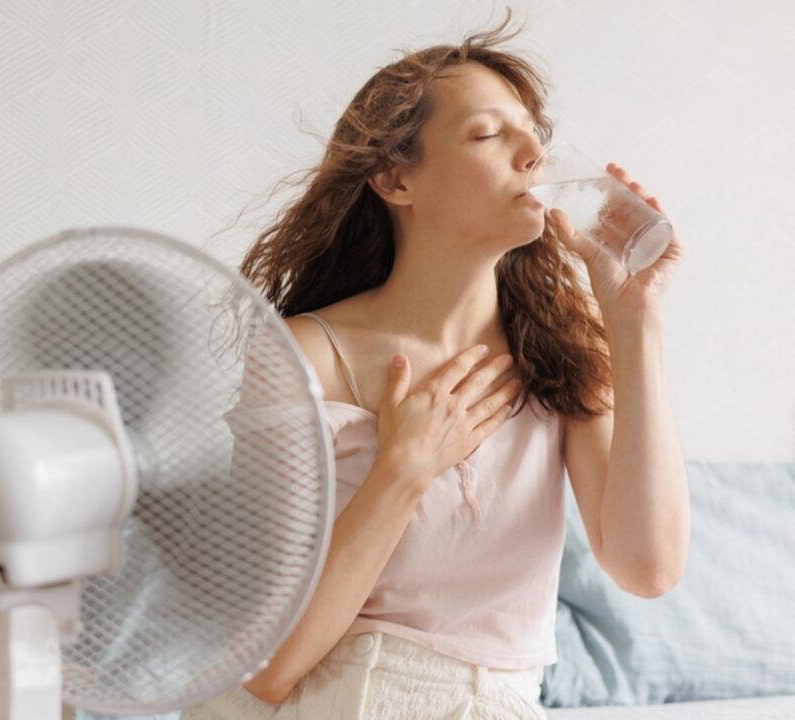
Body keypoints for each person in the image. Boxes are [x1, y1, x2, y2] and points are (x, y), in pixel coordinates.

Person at [187, 8, 689, 720]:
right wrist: (404, 468)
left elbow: (649, 568)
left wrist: (636, 319)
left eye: (533, 134)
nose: (532, 154)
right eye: (488, 134)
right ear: (395, 181)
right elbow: (269, 668)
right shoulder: (305, 355)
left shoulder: (565, 355)